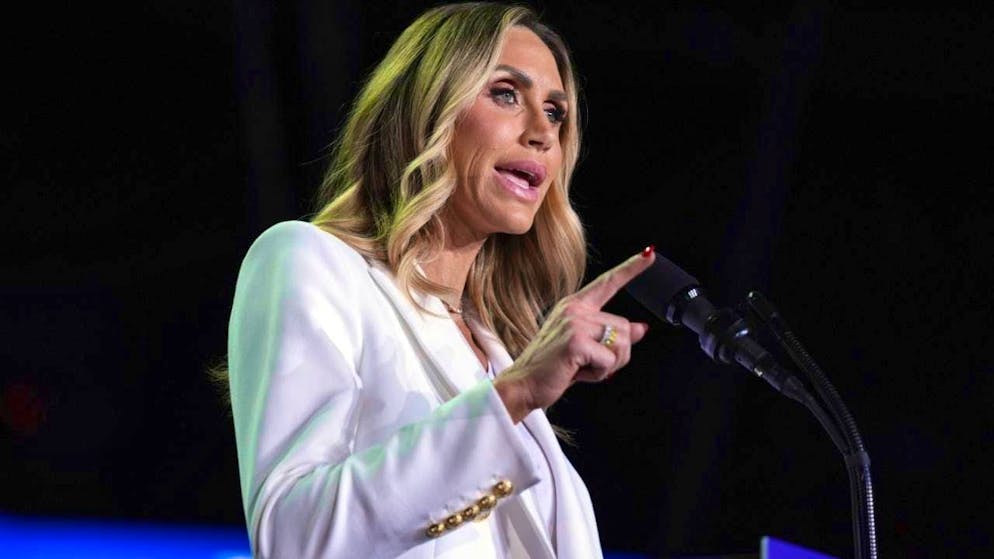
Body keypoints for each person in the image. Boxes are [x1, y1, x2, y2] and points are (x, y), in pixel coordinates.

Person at [227, 3, 655, 558]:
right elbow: (295, 538)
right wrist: (515, 394)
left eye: (555, 113)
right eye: (505, 94)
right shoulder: (308, 261)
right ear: (427, 110)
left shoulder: (492, 345)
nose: (543, 133)